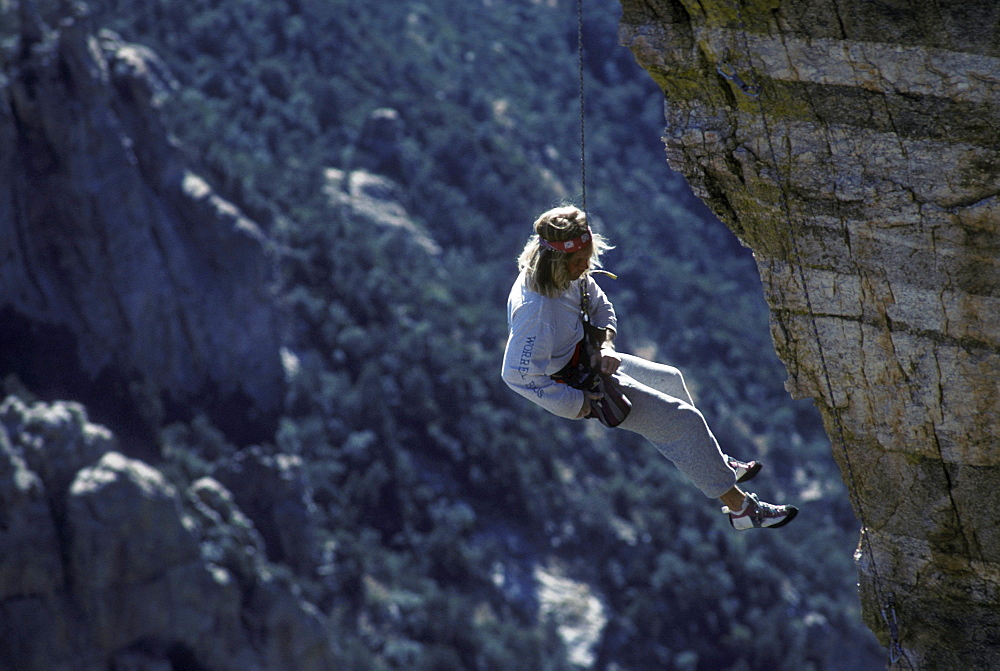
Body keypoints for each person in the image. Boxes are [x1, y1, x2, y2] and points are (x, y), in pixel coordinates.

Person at [501, 205, 798, 530]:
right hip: (577, 384)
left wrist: (606, 345)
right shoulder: (535, 311)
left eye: (588, 258)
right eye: (578, 262)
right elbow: (517, 375)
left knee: (671, 380)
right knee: (684, 422)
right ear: (556, 261)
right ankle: (742, 509)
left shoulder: (565, 275)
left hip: (588, 358)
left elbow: (601, 306)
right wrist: (580, 406)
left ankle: (711, 460)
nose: (586, 267)